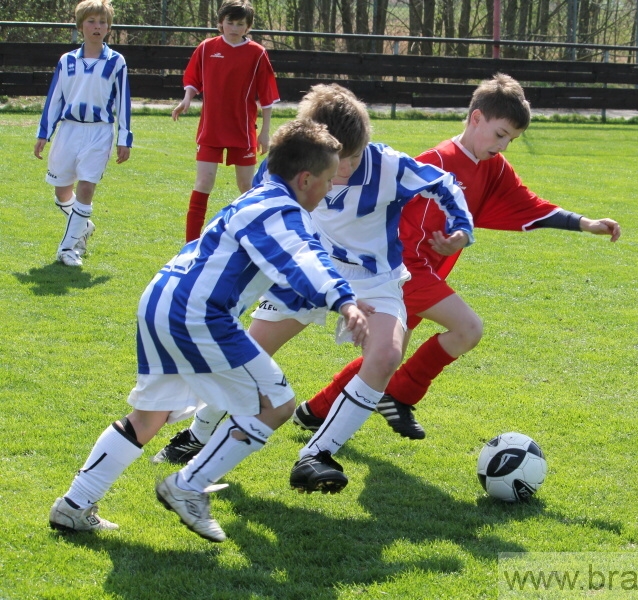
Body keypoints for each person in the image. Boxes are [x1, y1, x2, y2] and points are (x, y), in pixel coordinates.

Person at [48, 119, 369, 543]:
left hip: (163, 298)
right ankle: (187, 487)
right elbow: (304, 257)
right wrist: (344, 300)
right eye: (327, 180)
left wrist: (334, 295)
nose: (330, 189)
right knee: (275, 403)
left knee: (149, 415)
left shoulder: (261, 195)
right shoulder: (279, 209)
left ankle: (73, 505)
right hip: (198, 314)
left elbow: (294, 263)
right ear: (305, 178)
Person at [152, 84, 474, 494]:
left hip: (375, 280)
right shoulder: (290, 165)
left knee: (387, 353)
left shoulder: (388, 166)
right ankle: (197, 434)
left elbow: (444, 184)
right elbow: (254, 214)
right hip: (306, 274)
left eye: (355, 157)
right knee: (245, 357)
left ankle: (316, 454)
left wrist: (461, 231)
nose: (345, 168)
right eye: (340, 159)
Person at [297, 73, 622, 441]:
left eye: (511, 140)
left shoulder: (493, 167)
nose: (504, 146)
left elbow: (526, 204)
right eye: (500, 134)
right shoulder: (434, 161)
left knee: (386, 356)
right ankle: (399, 395)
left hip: (425, 274)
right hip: (403, 269)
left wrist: (584, 223)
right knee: (468, 329)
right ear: (476, 118)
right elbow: (385, 219)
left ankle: (315, 411)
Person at [33, 0, 132, 267]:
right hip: (69, 130)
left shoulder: (115, 62)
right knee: (61, 191)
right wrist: (44, 133)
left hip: (99, 133)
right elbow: (55, 98)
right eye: (91, 21)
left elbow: (123, 102)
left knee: (86, 186)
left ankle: (68, 249)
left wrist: (125, 138)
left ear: (109, 27)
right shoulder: (67, 61)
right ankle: (83, 226)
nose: (97, 27)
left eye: (102, 22)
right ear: (80, 26)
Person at [172, 0, 280, 242]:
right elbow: (193, 79)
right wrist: (186, 98)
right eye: (229, 22)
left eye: (239, 24)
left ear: (247, 27)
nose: (233, 27)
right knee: (203, 181)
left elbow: (267, 96)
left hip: (242, 130)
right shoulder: (206, 48)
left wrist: (265, 132)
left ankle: (260, 240)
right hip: (211, 129)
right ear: (221, 23)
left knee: (246, 187)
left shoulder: (257, 53)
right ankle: (189, 244)